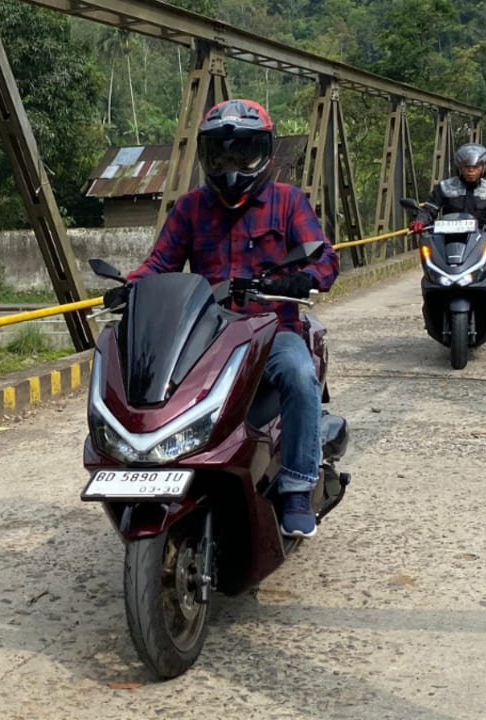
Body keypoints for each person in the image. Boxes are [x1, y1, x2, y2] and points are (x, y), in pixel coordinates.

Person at [102, 99, 339, 538]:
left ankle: (297, 487)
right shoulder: (191, 208)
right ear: (207, 157)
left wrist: (301, 279)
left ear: (263, 153)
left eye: (241, 152)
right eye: (221, 153)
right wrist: (131, 287)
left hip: (271, 331)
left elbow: (325, 260)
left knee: (299, 373)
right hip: (208, 334)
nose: (230, 164)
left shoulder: (288, 202)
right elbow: (161, 263)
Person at [407, 143, 486, 322]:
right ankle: (433, 310)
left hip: (479, 237)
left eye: (475, 167)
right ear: (459, 168)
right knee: (431, 267)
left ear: (483, 168)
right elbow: (430, 208)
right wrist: (420, 221)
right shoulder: (444, 187)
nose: (471, 171)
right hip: (448, 238)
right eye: (467, 167)